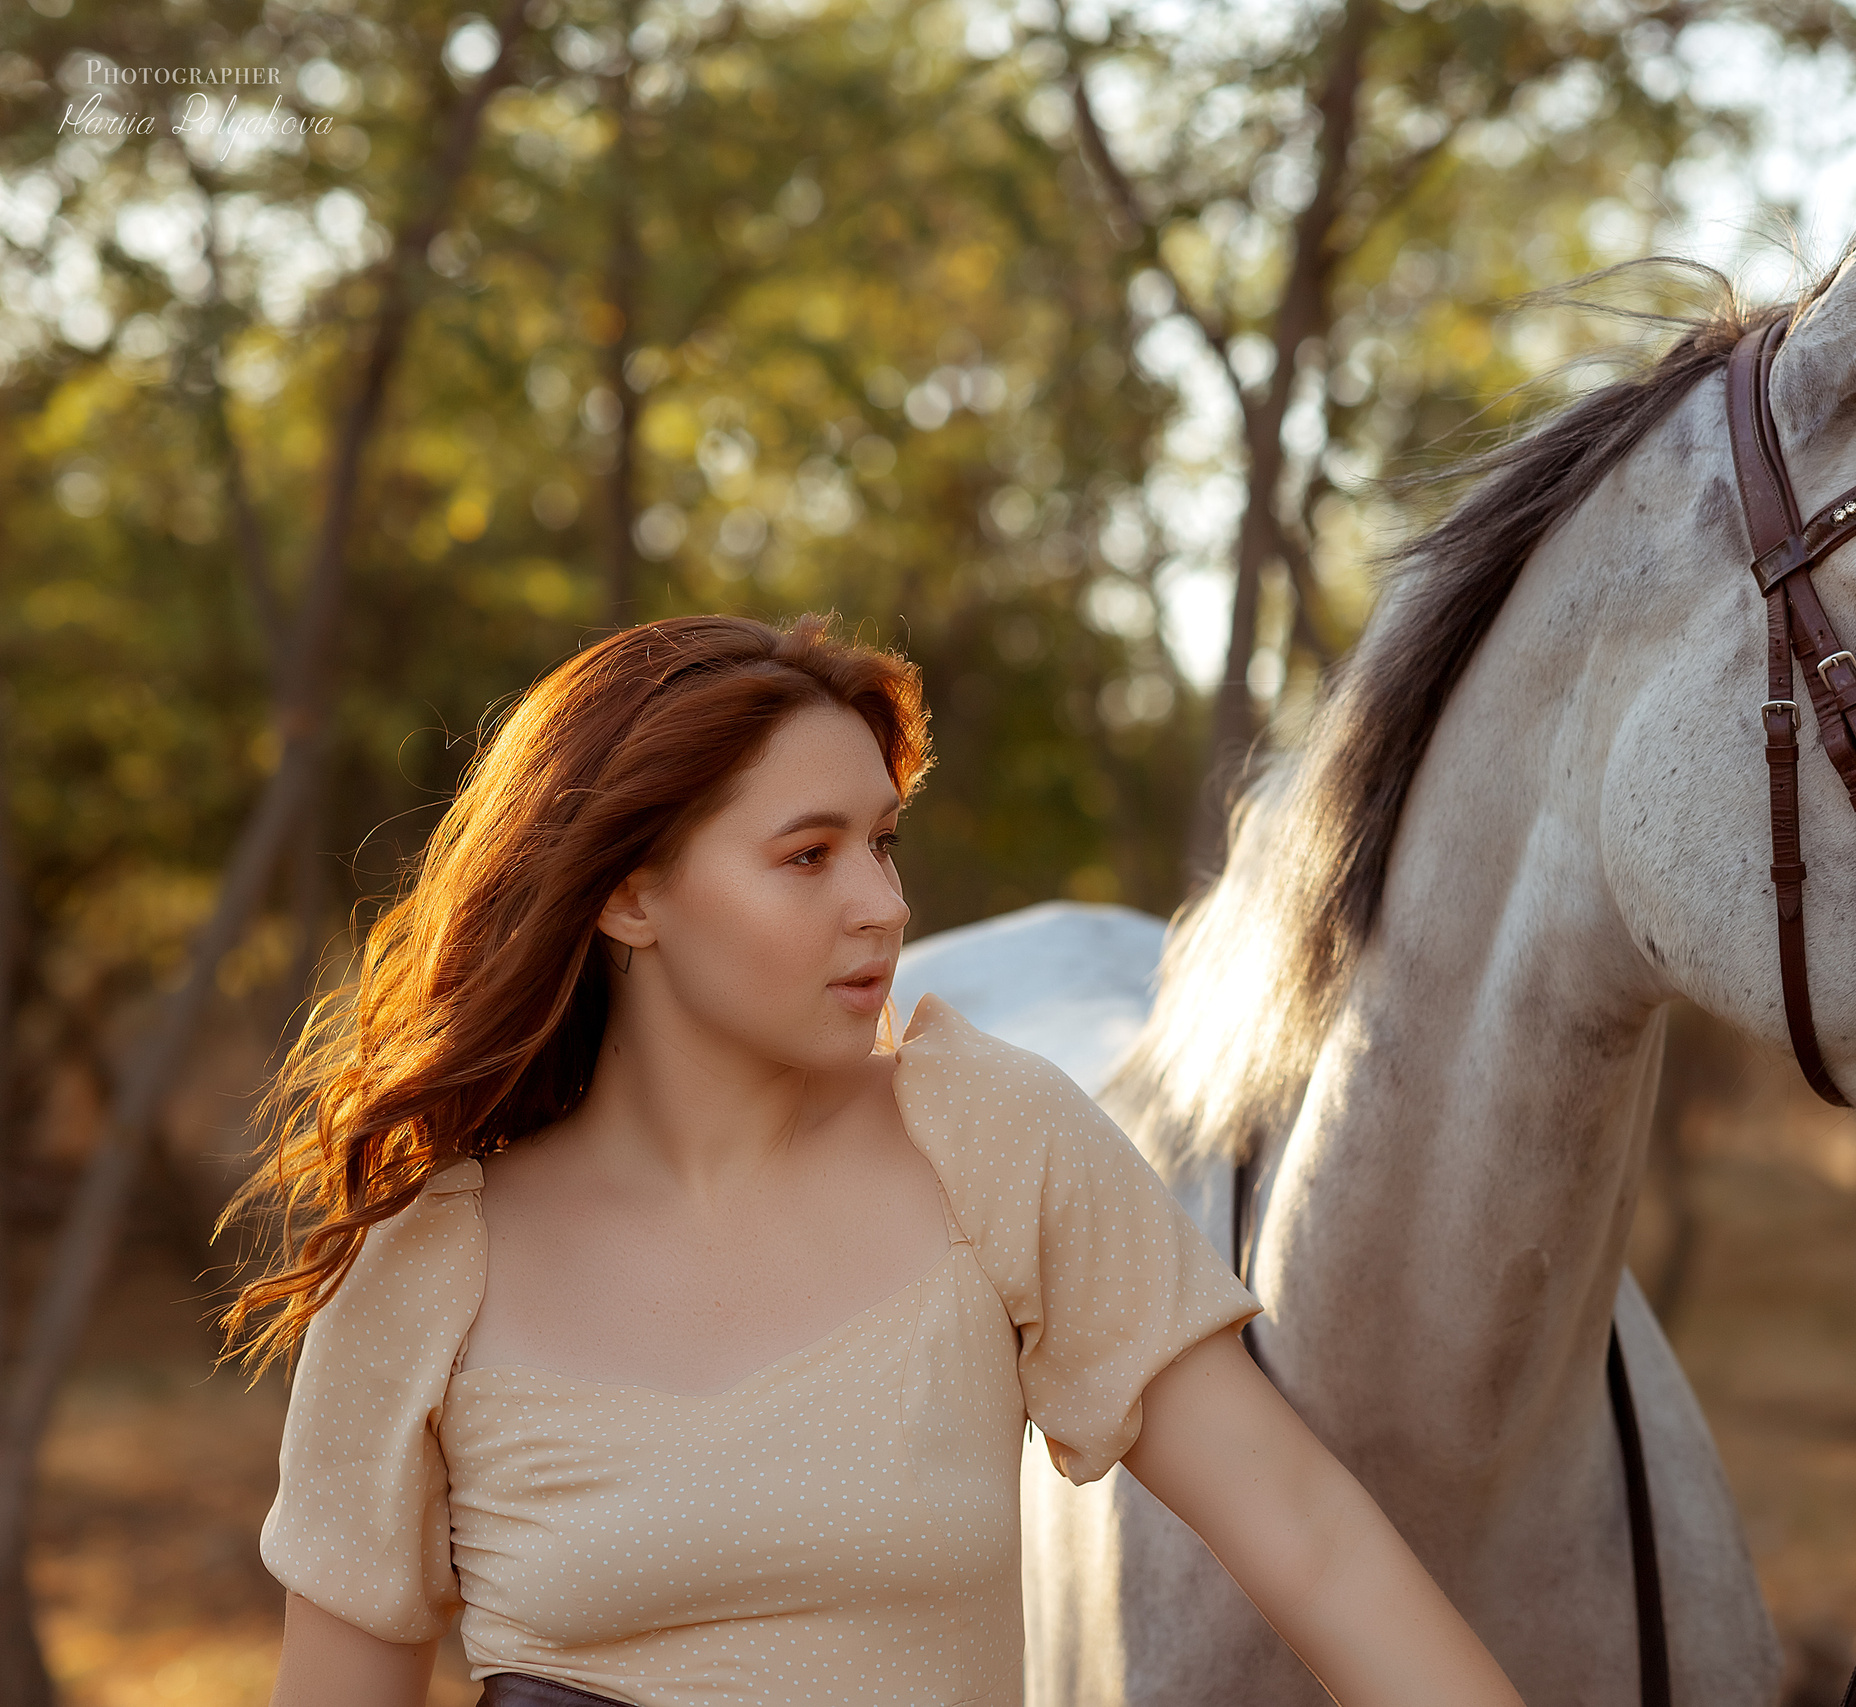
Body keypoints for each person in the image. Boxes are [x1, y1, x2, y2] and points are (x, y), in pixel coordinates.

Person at [225, 613, 1525, 1707]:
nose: (886, 906)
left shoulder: (992, 1140)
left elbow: (1309, 1534)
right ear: (629, 896)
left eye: (882, 842)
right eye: (809, 855)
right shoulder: (426, 1265)